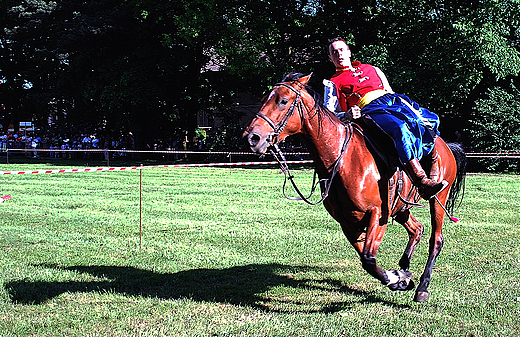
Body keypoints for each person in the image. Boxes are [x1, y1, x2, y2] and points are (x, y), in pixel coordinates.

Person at [326, 37, 447, 200]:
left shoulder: (372, 68)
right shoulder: (332, 83)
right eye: (334, 52)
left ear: (348, 52)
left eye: (341, 50)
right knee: (399, 128)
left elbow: (388, 89)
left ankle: (433, 159)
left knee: (428, 119)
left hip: (392, 101)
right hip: (369, 109)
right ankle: (421, 182)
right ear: (330, 58)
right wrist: (346, 115)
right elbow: (330, 114)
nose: (338, 54)